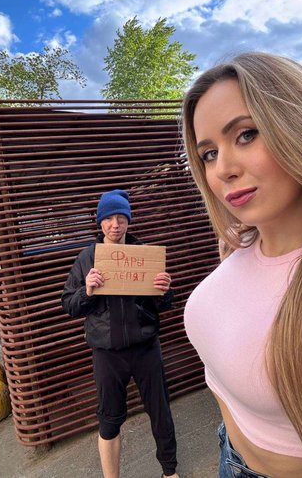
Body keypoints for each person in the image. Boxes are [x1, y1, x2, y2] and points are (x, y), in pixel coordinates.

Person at [182, 52, 302, 478]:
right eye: (208, 153)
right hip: (228, 454)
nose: (223, 169)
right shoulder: (242, 242)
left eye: (246, 134)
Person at [61, 189, 179, 478]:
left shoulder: (144, 255)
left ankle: (169, 472)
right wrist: (87, 291)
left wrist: (165, 291)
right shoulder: (87, 258)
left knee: (160, 412)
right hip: (107, 353)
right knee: (109, 419)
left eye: (121, 218)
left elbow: (163, 304)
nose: (115, 225)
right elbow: (69, 304)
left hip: (146, 347)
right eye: (109, 218)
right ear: (100, 222)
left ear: (129, 221)